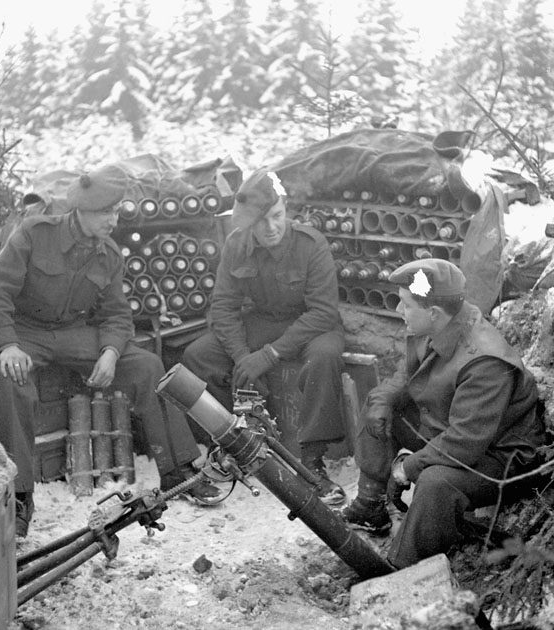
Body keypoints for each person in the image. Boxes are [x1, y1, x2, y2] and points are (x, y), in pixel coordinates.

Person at [0, 164, 219, 537]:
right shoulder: (33, 234)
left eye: (116, 210)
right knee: (11, 383)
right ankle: (21, 494)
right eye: (105, 212)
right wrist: (8, 345)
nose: (113, 219)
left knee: (148, 366)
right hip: (26, 333)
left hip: (76, 335)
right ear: (81, 211)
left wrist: (109, 351)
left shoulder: (108, 253)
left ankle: (178, 468)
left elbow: (117, 314)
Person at [342, 258, 546, 568]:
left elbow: (465, 443)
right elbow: (407, 376)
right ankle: (371, 508)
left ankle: (404, 567)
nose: (398, 310)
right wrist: (384, 399)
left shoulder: (485, 361)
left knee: (437, 482)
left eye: (406, 305)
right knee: (378, 404)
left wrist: (408, 467)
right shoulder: (436, 323)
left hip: (501, 458)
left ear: (434, 313)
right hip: (456, 431)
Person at [182, 168, 347, 504]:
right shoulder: (236, 245)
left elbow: (323, 312)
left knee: (325, 356)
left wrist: (269, 355)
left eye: (277, 216)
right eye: (262, 221)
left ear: (285, 209)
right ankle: (237, 445)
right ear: (249, 223)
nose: (271, 228)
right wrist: (244, 358)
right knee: (198, 356)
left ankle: (313, 461)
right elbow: (224, 308)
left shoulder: (310, 244)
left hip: (310, 325)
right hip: (261, 323)